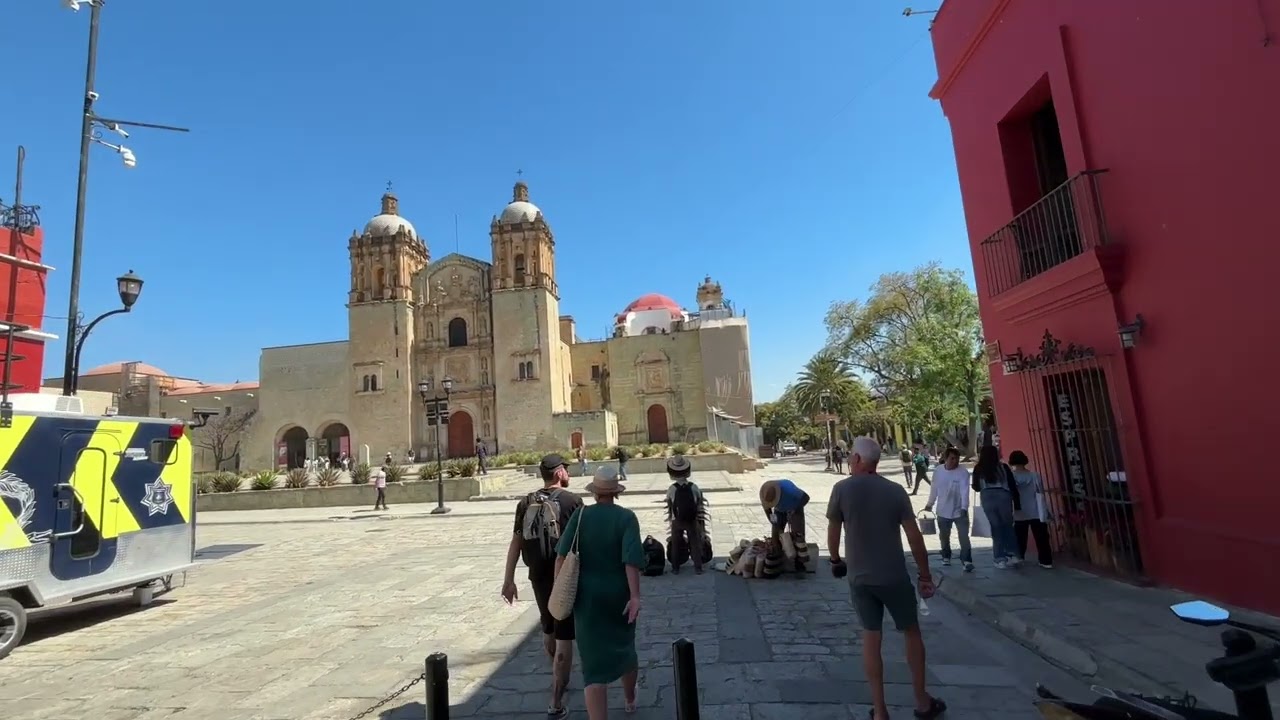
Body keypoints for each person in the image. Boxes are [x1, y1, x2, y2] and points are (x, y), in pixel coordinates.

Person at [827, 437, 945, 720]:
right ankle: (922, 701)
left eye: (851, 456)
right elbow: (914, 537)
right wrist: (925, 575)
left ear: (857, 459)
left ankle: (880, 710)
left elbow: (833, 531)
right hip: (893, 576)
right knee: (911, 632)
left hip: (860, 578)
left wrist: (835, 560)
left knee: (871, 637)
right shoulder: (895, 491)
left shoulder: (842, 489)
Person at [555, 466, 645, 719]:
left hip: (586, 599)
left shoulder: (581, 515)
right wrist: (635, 597)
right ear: (616, 492)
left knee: (593, 667)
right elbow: (631, 561)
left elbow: (561, 556)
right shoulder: (626, 518)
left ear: (594, 492)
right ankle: (630, 699)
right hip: (618, 596)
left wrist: (557, 589)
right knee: (625, 649)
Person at [501, 453, 583, 720]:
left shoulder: (525, 503)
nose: (568, 473)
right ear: (559, 473)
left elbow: (516, 542)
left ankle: (558, 677)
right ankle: (555, 700)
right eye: (566, 469)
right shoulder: (573, 501)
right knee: (564, 634)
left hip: (537, 575)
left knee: (548, 628)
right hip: (564, 575)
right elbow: (582, 543)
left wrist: (508, 580)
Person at [923, 447, 973, 572]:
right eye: (952, 458)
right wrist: (930, 504)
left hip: (959, 510)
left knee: (964, 537)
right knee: (944, 536)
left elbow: (965, 491)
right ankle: (946, 556)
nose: (955, 461)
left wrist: (964, 507)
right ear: (945, 458)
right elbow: (934, 489)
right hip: (943, 510)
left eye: (957, 459)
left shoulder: (963, 472)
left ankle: (966, 560)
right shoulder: (938, 471)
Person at [971, 444, 1020, 569]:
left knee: (996, 527)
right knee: (1008, 525)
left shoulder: (979, 468)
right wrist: (1017, 503)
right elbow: (1012, 485)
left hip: (987, 497)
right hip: (1004, 496)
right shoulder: (1003, 467)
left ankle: (999, 559)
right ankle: (1013, 554)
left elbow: (976, 487)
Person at [1009, 450, 1053, 568]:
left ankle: (1019, 557)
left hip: (1019, 511)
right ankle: (1046, 561)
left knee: (1020, 538)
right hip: (1036, 511)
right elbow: (1041, 493)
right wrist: (1046, 510)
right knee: (1042, 538)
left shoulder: (1011, 477)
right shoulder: (1035, 476)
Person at [664, 455, 706, 574]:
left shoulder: (672, 489)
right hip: (692, 520)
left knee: (676, 543)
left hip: (677, 520)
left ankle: (675, 568)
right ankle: (698, 567)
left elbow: (670, 504)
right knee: (694, 542)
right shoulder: (694, 487)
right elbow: (699, 501)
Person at [760, 478, 810, 546]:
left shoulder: (790, 493)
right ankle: (777, 548)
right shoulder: (765, 494)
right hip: (780, 508)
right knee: (776, 533)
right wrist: (774, 523)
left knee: (798, 534)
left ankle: (800, 548)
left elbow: (806, 498)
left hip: (795, 505)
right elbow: (768, 511)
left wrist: (793, 511)